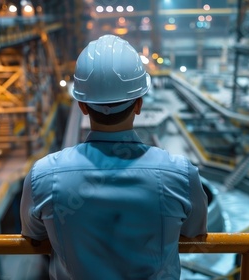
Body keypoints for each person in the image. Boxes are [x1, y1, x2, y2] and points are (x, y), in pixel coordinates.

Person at [20, 34, 208, 279]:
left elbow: (34, 235)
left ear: (83, 106)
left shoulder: (43, 176)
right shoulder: (181, 175)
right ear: (139, 104)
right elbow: (195, 234)